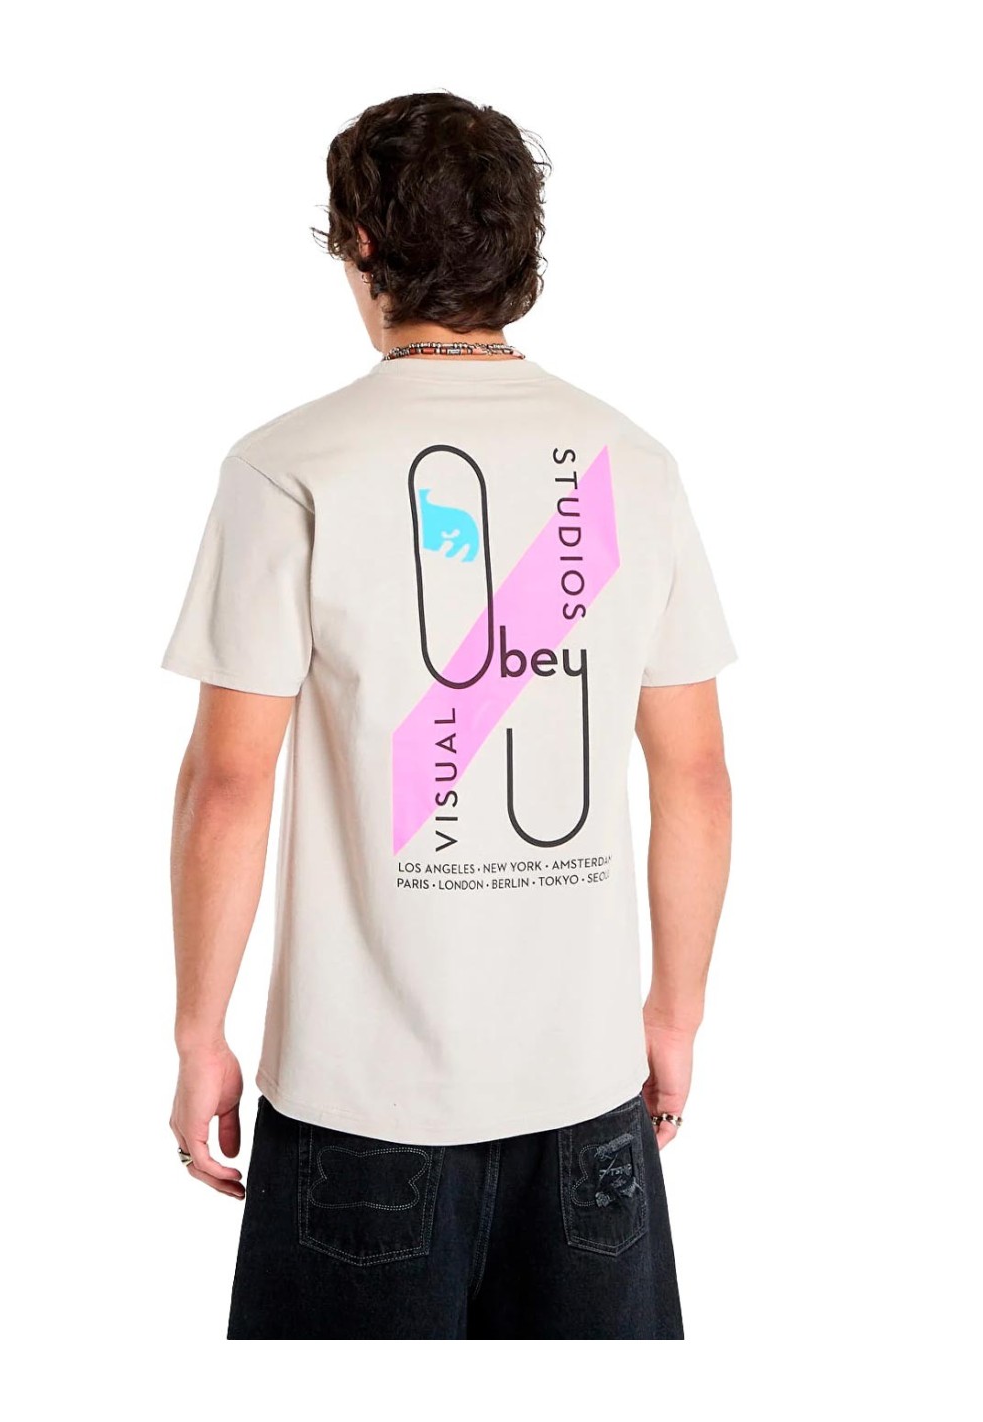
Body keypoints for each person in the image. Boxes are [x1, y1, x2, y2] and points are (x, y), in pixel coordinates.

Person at [162, 91, 735, 1340]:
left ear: (359, 241)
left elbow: (229, 783)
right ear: (517, 244)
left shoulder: (290, 465)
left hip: (359, 1107)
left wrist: (200, 1031)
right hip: (587, 1098)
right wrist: (674, 1015)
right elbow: (692, 773)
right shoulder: (629, 465)